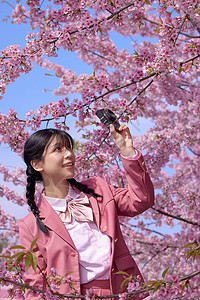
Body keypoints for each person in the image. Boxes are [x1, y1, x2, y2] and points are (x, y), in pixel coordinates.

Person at [19, 123, 154, 299]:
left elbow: (141, 200)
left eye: (69, 148)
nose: (69, 154)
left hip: (123, 290)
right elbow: (36, 282)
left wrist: (127, 151)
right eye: (58, 149)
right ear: (37, 164)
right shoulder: (30, 225)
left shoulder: (99, 189)